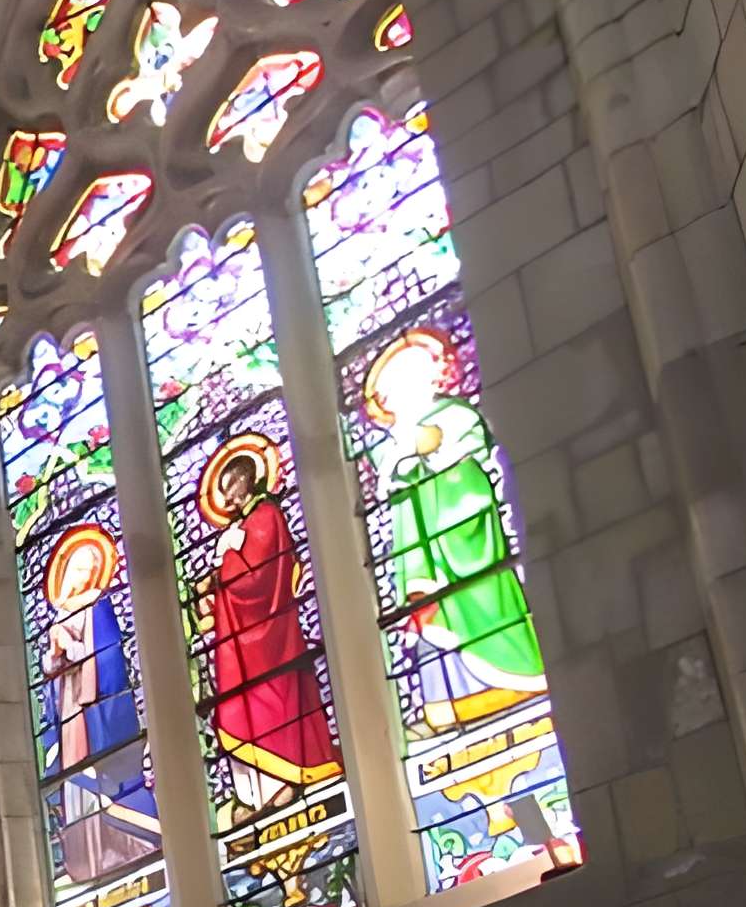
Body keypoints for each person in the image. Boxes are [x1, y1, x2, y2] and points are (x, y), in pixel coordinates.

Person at [364, 327, 544, 724]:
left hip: (465, 527)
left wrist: (415, 447)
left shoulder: (455, 414)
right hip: (422, 550)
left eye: (410, 378)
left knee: (484, 597)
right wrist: (404, 451)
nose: (402, 391)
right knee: (430, 612)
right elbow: (388, 475)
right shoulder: (390, 442)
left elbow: (448, 445)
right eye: (393, 387)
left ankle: (521, 678)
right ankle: (448, 705)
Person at [197, 437, 340, 811]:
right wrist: (213, 581)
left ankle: (285, 781)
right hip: (238, 640)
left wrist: (227, 560)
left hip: (269, 637)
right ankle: (252, 796)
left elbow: (257, 579)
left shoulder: (266, 516)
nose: (227, 495)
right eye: (223, 488)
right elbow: (234, 578)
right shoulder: (244, 523)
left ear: (248, 479)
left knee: (273, 703)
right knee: (237, 707)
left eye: (231, 484)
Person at [36, 527, 156, 886]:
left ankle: (118, 850)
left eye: (89, 570)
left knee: (98, 773)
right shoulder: (61, 615)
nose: (83, 576)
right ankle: (84, 860)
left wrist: (71, 649)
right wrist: (54, 652)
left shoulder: (98, 606)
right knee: (74, 779)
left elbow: (106, 659)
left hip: (96, 713)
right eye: (77, 568)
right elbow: (51, 672)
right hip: (69, 711)